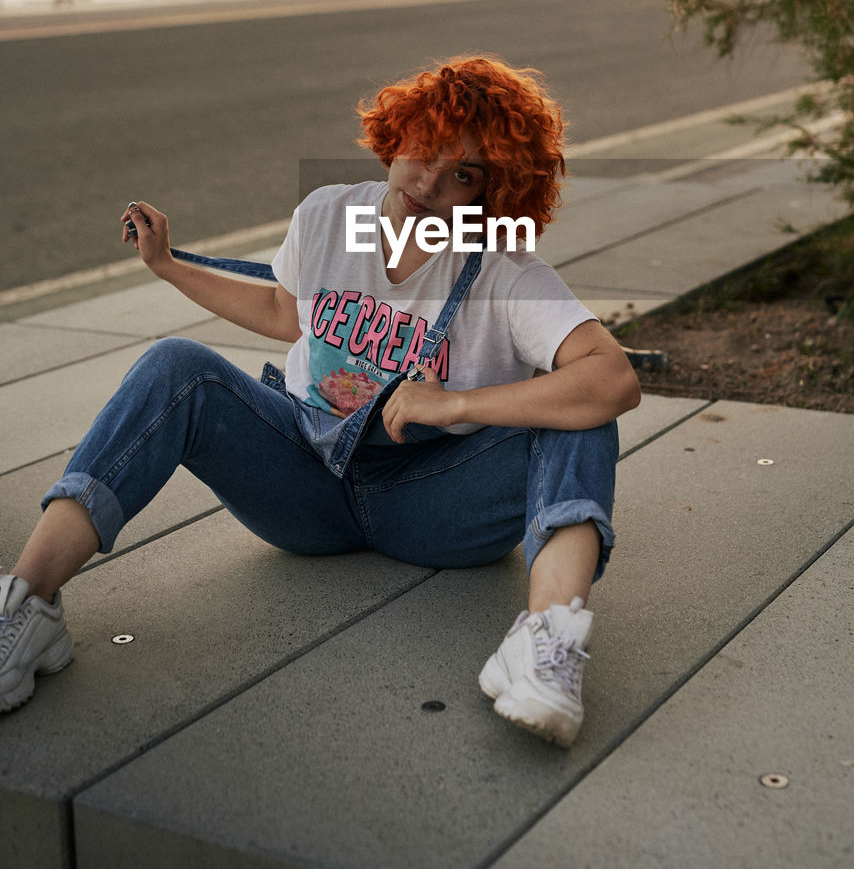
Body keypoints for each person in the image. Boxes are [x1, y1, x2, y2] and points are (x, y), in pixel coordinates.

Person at [0, 55, 640, 745]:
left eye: (464, 174)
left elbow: (614, 379)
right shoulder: (330, 214)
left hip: (435, 503)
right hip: (304, 480)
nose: (428, 183)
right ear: (397, 137)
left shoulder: (506, 272)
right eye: (424, 152)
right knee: (175, 365)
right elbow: (285, 311)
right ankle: (26, 607)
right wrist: (167, 267)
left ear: (495, 191)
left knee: (579, 413)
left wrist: (458, 406)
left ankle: (543, 649)